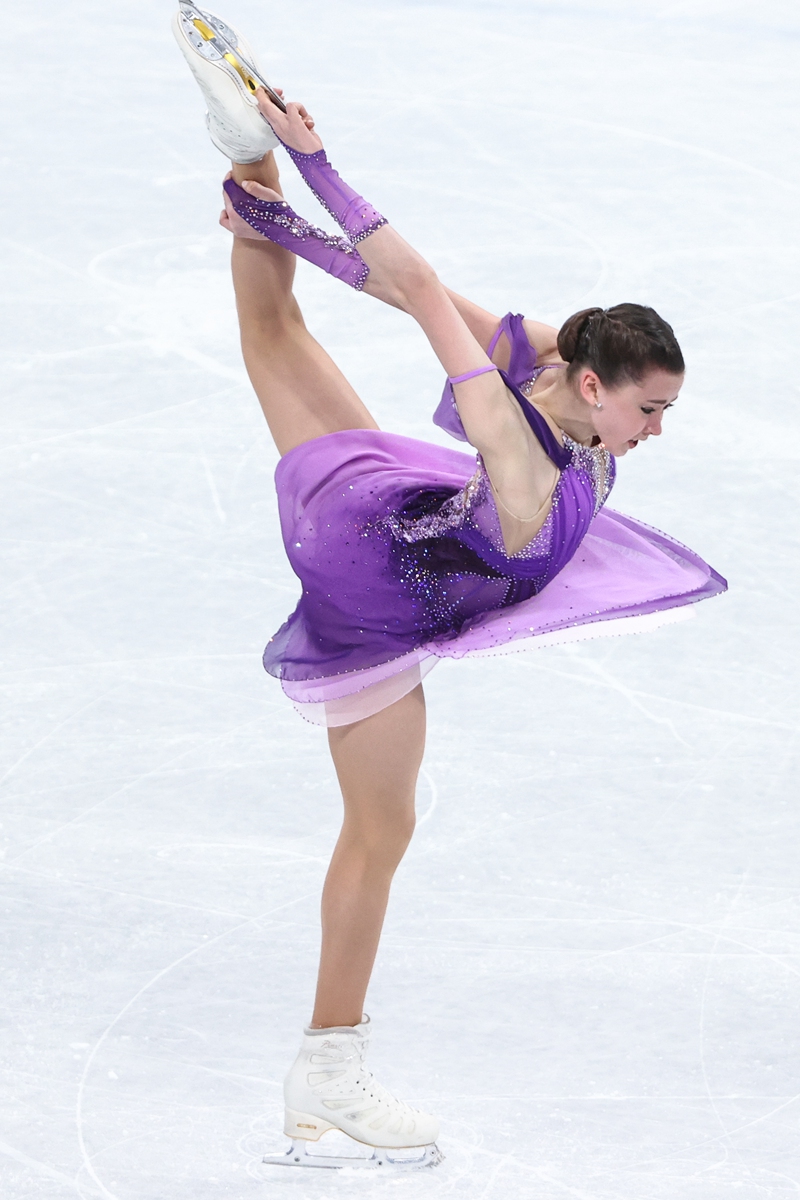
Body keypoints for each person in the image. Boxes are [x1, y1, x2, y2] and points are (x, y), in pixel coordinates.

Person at [172, 2, 726, 1170]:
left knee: (275, 330)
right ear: (591, 384)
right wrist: (319, 167)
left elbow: (388, 284)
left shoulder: (556, 358)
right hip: (384, 587)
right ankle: (328, 1065)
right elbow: (421, 291)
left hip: (398, 514)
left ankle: (241, 147)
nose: (655, 431)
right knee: (381, 826)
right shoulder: (518, 448)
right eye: (647, 409)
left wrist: (279, 208)